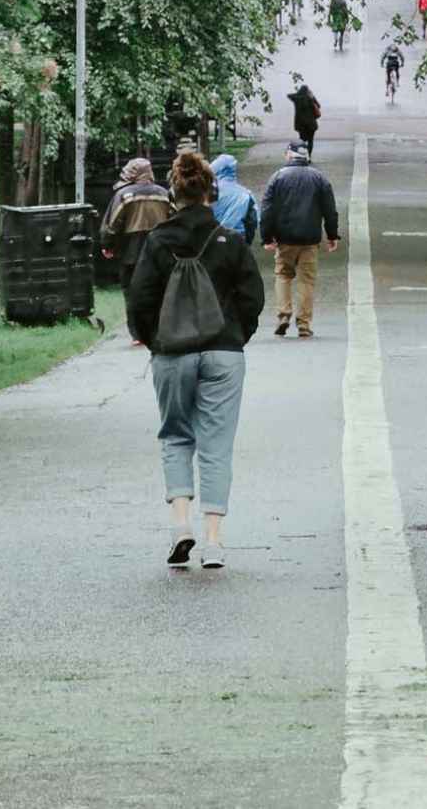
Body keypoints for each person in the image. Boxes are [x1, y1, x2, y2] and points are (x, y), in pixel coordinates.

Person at [126, 152, 266, 570]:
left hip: (172, 354)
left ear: (175, 192)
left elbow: (140, 299)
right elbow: (252, 298)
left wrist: (154, 342)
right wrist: (236, 337)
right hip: (224, 352)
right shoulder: (230, 240)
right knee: (216, 443)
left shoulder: (158, 240)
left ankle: (180, 524)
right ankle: (214, 540)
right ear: (211, 191)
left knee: (176, 436)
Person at [260, 142, 340, 338]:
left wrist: (267, 237)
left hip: (285, 238)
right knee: (307, 280)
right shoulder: (319, 178)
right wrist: (332, 235)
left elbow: (267, 210)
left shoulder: (277, 178)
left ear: (290, 155)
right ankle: (304, 324)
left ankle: (283, 315)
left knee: (283, 275)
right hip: (310, 239)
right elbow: (330, 210)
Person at [100, 157, 174, 293]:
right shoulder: (164, 194)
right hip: (160, 252)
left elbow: (112, 225)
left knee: (131, 291)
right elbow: (174, 220)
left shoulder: (123, 195)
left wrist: (108, 245)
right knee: (159, 292)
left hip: (131, 252)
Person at [210, 153, 259, 241]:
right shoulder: (245, 193)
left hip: (212, 238)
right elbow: (254, 219)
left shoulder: (207, 192)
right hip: (238, 238)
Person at [287, 83, 321, 157]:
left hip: (301, 125)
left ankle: (302, 156)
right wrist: (312, 96)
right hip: (311, 124)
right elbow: (318, 106)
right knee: (310, 141)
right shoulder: (310, 98)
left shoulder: (296, 99)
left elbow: (289, 95)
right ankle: (309, 156)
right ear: (307, 91)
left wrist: (298, 93)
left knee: (302, 141)